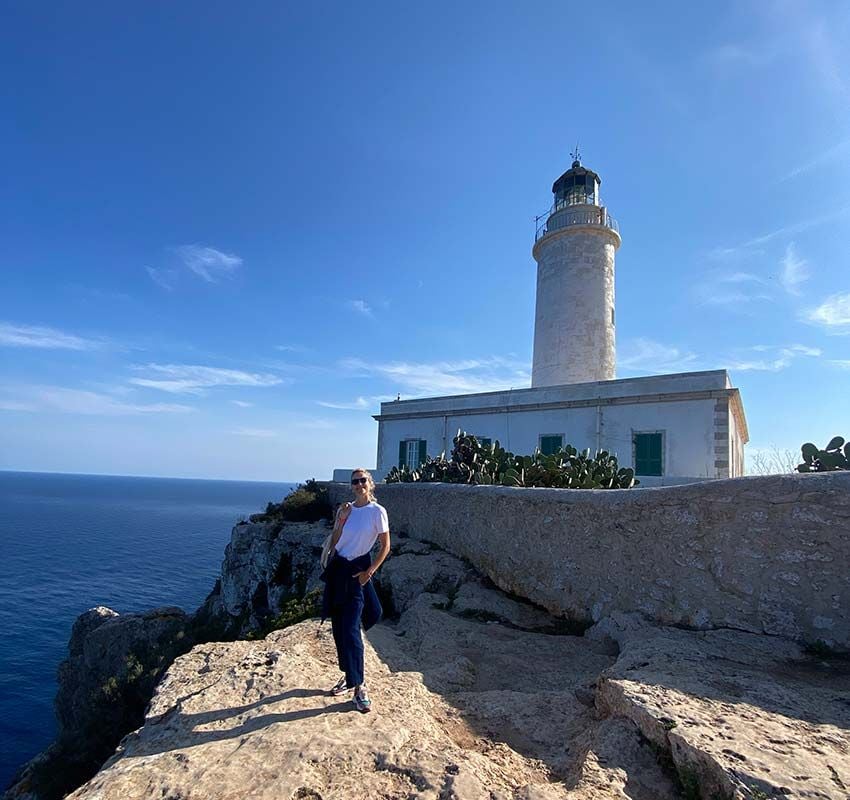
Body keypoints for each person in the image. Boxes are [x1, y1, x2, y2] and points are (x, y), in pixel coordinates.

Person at [320, 468, 390, 713]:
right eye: (355, 481)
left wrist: (369, 572)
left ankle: (359, 687)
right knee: (338, 628)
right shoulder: (346, 509)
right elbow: (336, 540)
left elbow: (385, 545)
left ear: (370, 484)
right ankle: (348, 676)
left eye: (363, 480)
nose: (359, 484)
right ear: (351, 485)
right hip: (338, 569)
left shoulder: (377, 512)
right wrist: (341, 520)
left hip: (357, 571)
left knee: (351, 630)